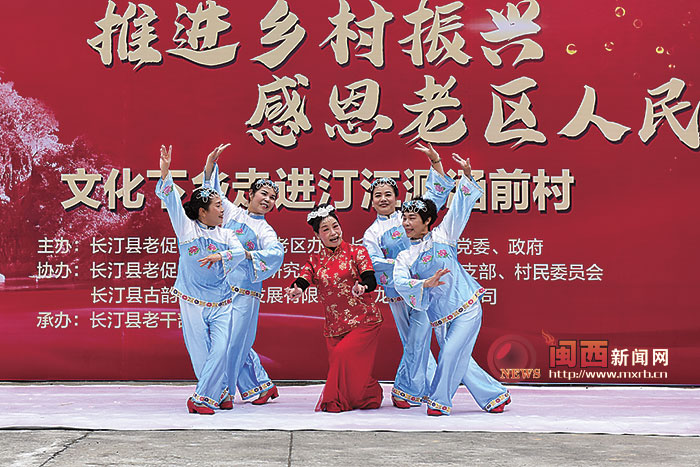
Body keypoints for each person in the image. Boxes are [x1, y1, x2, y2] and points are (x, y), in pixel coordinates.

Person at [394, 153, 511, 416]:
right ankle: (495, 396)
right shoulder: (406, 255)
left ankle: (439, 402)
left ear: (427, 221)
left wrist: (466, 176)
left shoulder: (444, 235)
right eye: (404, 218)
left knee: (449, 355)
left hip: (467, 306)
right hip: (440, 317)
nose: (406, 223)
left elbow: (459, 206)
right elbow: (400, 281)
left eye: (412, 218)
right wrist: (424, 283)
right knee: (458, 357)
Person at [362, 143, 455, 409]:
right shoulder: (372, 233)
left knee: (420, 338)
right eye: (377, 195)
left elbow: (434, 197)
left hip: (427, 288)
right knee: (412, 341)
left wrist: (436, 162)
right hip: (399, 291)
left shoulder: (410, 216)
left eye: (388, 194)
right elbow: (374, 262)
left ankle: (411, 389)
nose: (383, 199)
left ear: (397, 197)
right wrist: (402, 268)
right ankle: (424, 388)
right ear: (371, 201)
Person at [155, 145, 246, 415]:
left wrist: (221, 256)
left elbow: (239, 253)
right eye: (217, 206)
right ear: (203, 212)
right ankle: (219, 393)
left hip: (223, 301)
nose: (222, 209)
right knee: (200, 351)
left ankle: (201, 398)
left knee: (222, 349)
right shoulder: (186, 228)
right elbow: (172, 201)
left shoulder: (226, 234)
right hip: (192, 300)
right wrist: (165, 171)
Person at [198, 145, 284, 407]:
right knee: (228, 341)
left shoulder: (265, 230)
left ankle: (222, 392)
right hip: (222, 291)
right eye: (263, 194)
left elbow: (276, 253)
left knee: (232, 344)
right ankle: (261, 384)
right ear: (250, 195)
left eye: (272, 197)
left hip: (245, 294)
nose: (267, 200)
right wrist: (210, 165)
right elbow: (212, 194)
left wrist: (247, 255)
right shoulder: (232, 213)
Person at [285, 204, 383, 412]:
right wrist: (297, 289)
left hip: (364, 320)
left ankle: (334, 401)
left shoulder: (356, 252)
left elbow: (370, 277)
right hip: (335, 326)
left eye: (335, 226)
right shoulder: (315, 260)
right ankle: (369, 394)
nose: (333, 233)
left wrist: (363, 286)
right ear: (317, 235)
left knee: (342, 356)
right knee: (350, 369)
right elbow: (303, 278)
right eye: (326, 229)